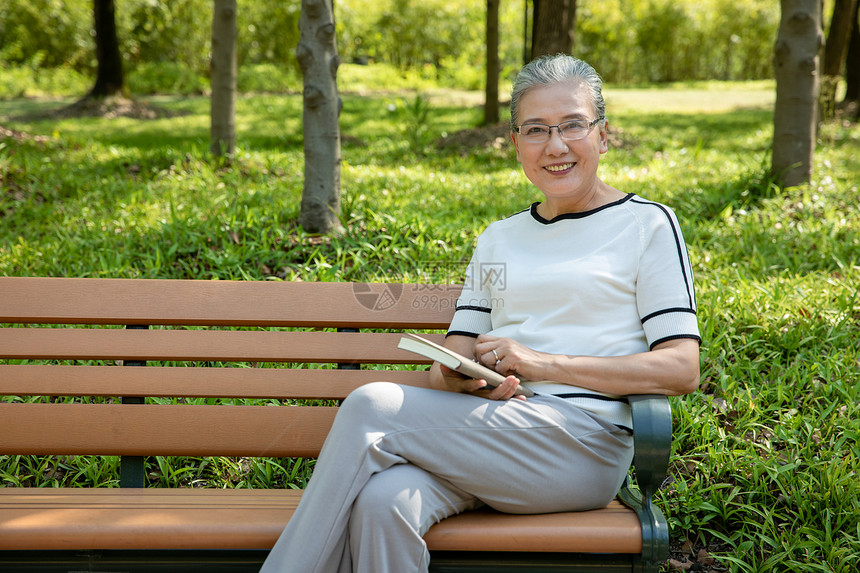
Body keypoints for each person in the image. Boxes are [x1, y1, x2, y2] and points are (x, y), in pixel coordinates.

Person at [260, 54, 701, 573]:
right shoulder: (500, 238)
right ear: (516, 144)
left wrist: (541, 364)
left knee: (370, 407)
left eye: (572, 125)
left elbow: (680, 368)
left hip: (581, 445)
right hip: (491, 430)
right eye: (536, 130)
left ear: (603, 135)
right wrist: (459, 377)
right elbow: (452, 355)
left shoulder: (647, 225)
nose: (555, 145)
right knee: (386, 501)